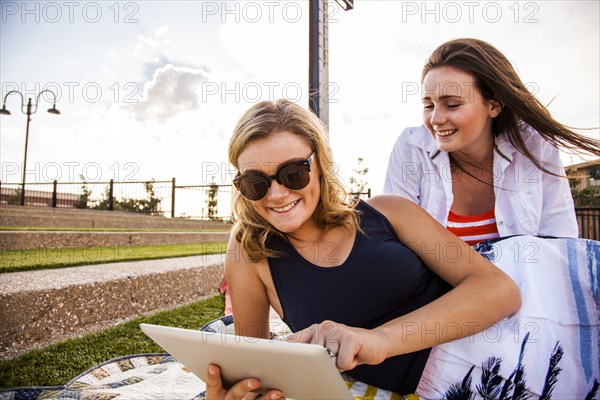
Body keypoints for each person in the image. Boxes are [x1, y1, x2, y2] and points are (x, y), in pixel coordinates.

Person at [204, 99, 521, 399]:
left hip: (511, 349)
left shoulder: (388, 212)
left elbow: (499, 290)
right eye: (255, 183)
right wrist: (237, 390)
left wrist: (380, 341)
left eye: (293, 174)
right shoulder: (250, 250)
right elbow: (254, 370)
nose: (275, 194)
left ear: (320, 164)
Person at [383, 38, 600, 244]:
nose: (436, 119)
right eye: (428, 105)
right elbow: (395, 242)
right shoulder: (411, 148)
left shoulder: (535, 145)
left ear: (494, 106)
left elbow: (559, 242)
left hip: (522, 285)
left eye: (452, 105)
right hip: (437, 285)